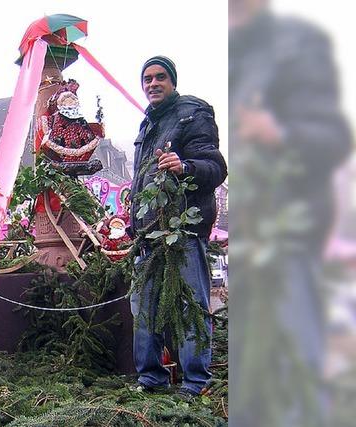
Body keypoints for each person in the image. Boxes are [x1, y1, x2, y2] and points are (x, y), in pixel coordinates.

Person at [229, 1, 352, 425]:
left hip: (293, 233)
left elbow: (332, 137)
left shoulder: (298, 50)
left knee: (298, 346)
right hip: (252, 237)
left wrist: (278, 133)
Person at [128, 55, 227, 398]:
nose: (152, 84)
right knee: (145, 308)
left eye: (160, 78)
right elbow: (140, 184)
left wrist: (184, 167)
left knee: (190, 307)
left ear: (172, 82)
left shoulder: (192, 115)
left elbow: (215, 168)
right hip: (148, 236)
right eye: (147, 79)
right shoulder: (147, 126)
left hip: (182, 231)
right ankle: (150, 377)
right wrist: (132, 228)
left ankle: (195, 381)